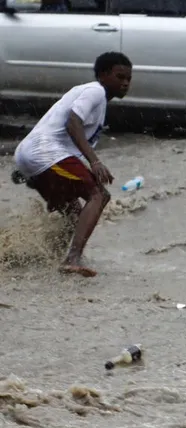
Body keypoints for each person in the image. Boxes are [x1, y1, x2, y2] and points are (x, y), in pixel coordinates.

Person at [13, 52, 132, 277]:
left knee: (75, 215)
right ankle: (72, 258)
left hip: (36, 157)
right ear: (104, 75)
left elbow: (70, 138)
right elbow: (72, 123)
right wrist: (94, 162)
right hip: (45, 152)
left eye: (128, 79)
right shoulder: (95, 91)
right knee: (98, 195)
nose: (125, 83)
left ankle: (48, 257)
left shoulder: (98, 103)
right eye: (120, 77)